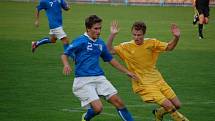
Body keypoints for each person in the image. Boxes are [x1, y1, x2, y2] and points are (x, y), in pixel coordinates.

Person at [107, 21, 189, 121]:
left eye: (139, 35)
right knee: (169, 106)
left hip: (158, 79)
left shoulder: (151, 42)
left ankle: (158, 113)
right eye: (134, 34)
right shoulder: (126, 46)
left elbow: (169, 47)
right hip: (143, 83)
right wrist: (112, 35)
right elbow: (109, 50)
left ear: (144, 34)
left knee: (177, 105)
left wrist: (176, 37)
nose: (136, 37)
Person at [61, 15, 138, 121]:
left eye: (100, 28)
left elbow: (111, 60)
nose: (98, 31)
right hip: (83, 81)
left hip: (99, 78)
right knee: (98, 108)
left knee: (119, 102)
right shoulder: (80, 41)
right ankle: (86, 117)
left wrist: (127, 72)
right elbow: (64, 54)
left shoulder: (100, 43)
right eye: (96, 28)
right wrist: (66, 64)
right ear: (88, 29)